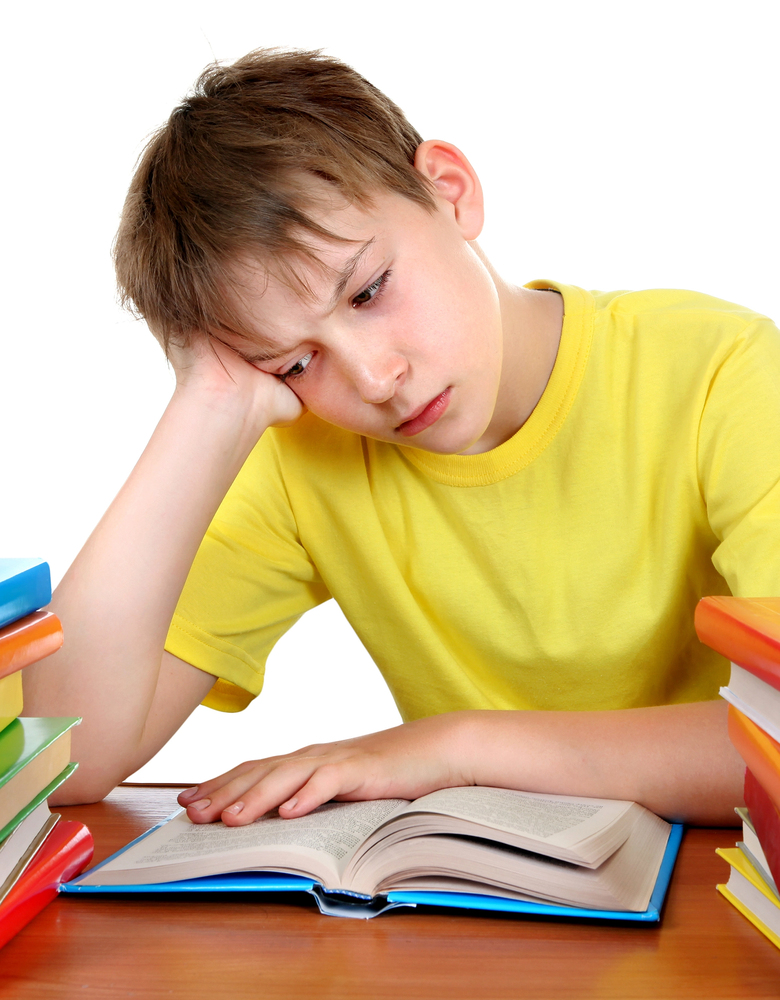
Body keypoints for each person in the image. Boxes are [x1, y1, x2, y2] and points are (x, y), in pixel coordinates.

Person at [24, 48, 778, 827]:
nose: (374, 379)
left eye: (369, 291)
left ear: (448, 191)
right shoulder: (305, 454)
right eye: (296, 361)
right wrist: (206, 403)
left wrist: (454, 748)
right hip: (489, 913)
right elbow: (58, 759)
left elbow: (777, 743)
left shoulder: (723, 371)